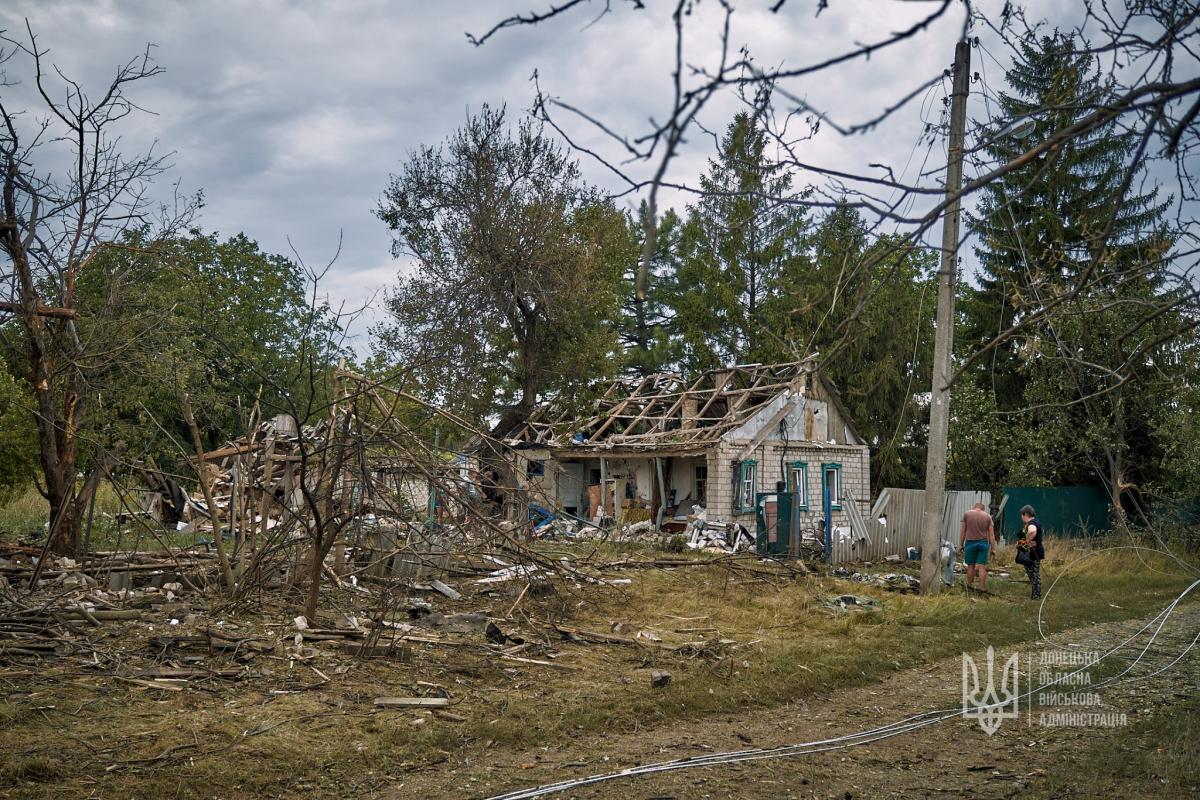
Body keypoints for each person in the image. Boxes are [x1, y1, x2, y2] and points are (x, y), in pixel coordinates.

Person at [960, 501, 996, 592]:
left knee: (970, 566)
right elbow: (991, 535)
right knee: (981, 567)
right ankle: (982, 588)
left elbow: (963, 531)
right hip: (983, 544)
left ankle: (969, 586)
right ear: (983, 509)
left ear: (974, 507)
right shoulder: (987, 516)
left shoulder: (967, 514)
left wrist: (961, 545)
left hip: (970, 543)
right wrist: (993, 548)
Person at [1018, 505, 1045, 599]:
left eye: (1022, 515)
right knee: (1033, 574)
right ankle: (1035, 595)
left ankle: (1036, 596)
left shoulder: (1031, 523)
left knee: (1034, 575)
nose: (1021, 517)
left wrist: (1027, 541)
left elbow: (1032, 531)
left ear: (1025, 514)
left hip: (1033, 553)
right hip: (1035, 552)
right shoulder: (1036, 521)